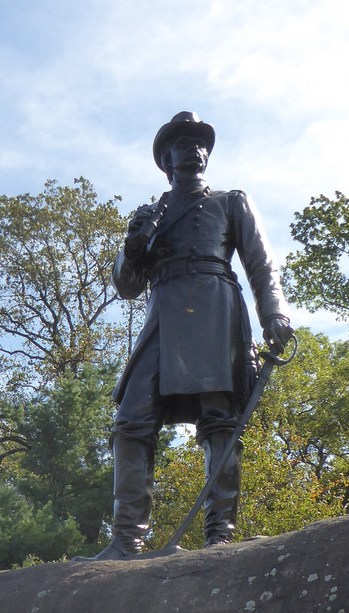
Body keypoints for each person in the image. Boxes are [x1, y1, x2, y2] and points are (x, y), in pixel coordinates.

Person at [91, 111, 293, 560]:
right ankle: (127, 540)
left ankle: (219, 537)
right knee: (131, 420)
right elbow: (126, 288)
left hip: (215, 311)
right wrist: (131, 248)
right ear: (165, 158)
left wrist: (274, 315)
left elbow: (261, 263)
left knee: (220, 421)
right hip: (162, 313)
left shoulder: (230, 201)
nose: (193, 148)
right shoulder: (150, 215)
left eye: (199, 142)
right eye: (181, 142)